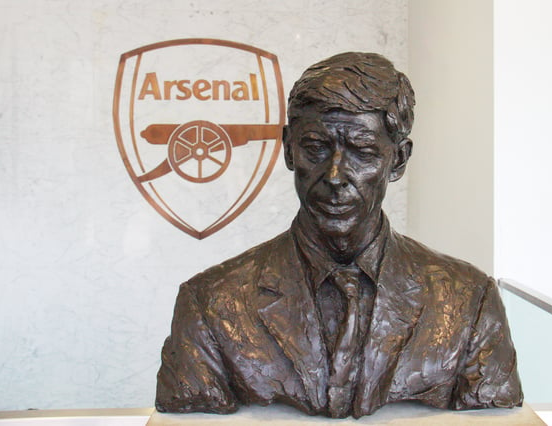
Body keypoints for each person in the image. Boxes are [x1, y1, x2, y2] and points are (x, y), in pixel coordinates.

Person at [155, 52, 523, 419]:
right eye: (315, 148)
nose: (334, 176)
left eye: (362, 152)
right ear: (288, 149)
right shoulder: (212, 302)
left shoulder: (468, 300)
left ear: (398, 161)